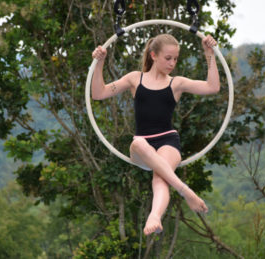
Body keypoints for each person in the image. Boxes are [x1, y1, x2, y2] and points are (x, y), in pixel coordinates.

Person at [91, 33, 220, 235]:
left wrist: (209, 53)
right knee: (138, 144)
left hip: (169, 141)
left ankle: (154, 216)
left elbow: (213, 87)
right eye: (168, 58)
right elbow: (99, 93)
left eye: (175, 59)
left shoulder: (176, 83)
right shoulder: (135, 79)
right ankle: (185, 191)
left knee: (160, 178)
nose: (172, 63)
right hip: (142, 146)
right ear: (153, 55)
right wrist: (99, 62)